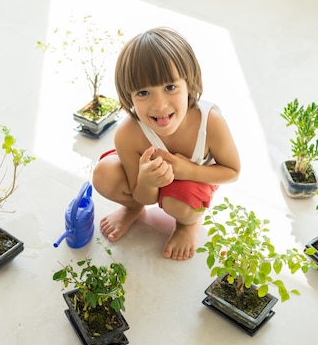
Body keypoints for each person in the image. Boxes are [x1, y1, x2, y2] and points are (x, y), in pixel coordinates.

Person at [92, 27, 240, 260]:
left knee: (176, 204)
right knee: (103, 174)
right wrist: (146, 180)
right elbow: (145, 196)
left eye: (170, 87)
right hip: (146, 184)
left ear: (189, 84)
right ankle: (132, 210)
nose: (159, 105)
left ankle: (188, 224)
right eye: (143, 93)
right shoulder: (128, 134)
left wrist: (187, 170)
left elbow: (232, 172)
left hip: (198, 177)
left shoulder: (209, 122)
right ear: (128, 96)